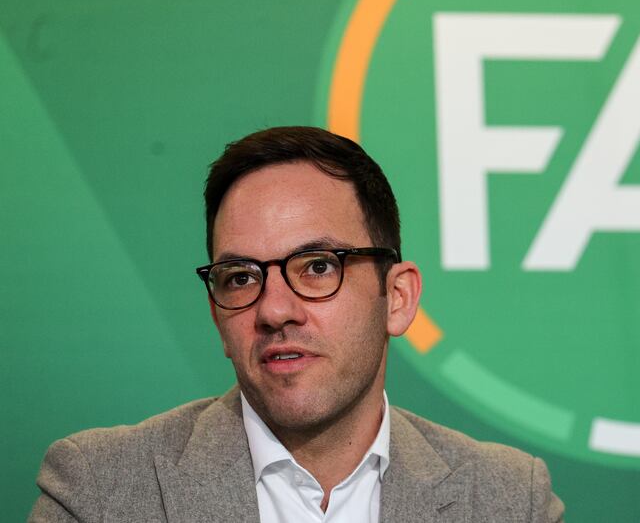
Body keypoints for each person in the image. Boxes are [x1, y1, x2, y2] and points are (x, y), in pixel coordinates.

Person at [30, 126, 564, 522]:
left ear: (397, 298)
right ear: (218, 316)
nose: (274, 310)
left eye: (317, 267)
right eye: (240, 277)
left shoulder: (510, 498)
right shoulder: (97, 490)